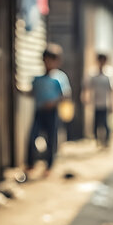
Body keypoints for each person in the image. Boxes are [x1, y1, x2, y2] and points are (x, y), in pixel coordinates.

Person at [25, 43, 71, 177]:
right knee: (32, 137)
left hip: (52, 113)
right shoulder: (37, 79)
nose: (48, 63)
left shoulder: (59, 78)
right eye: (46, 60)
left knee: (52, 140)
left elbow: (66, 95)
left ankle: (49, 166)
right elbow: (32, 92)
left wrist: (53, 103)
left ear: (57, 62)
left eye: (52, 60)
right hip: (39, 112)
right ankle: (30, 164)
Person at [84, 53, 113, 149]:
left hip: (106, 102)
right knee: (96, 123)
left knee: (106, 123)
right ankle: (97, 140)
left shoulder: (110, 74)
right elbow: (88, 87)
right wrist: (87, 98)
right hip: (96, 102)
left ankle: (106, 140)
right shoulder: (93, 74)